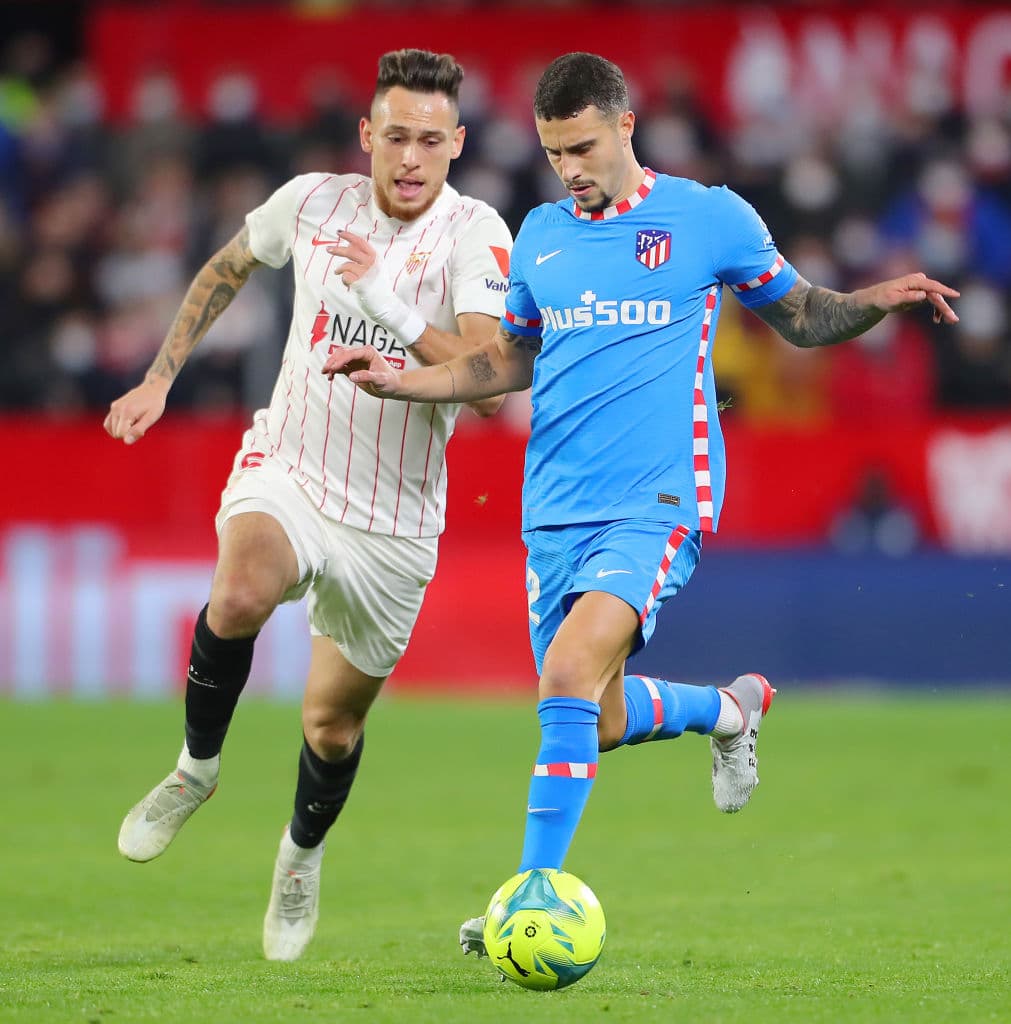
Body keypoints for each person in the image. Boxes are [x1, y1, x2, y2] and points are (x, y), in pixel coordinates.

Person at [320, 52, 960, 957]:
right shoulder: (541, 234)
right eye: (553, 152)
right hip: (553, 508)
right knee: (601, 715)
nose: (568, 169)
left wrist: (872, 303)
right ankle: (729, 710)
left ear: (625, 125)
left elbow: (802, 316)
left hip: (657, 499)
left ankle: (529, 893)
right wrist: (399, 378)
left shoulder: (708, 216)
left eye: (582, 147)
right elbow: (504, 362)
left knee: (566, 675)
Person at [103, 48, 512, 962]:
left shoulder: (476, 233)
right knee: (240, 590)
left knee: (331, 724)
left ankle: (299, 853)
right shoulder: (312, 202)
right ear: (367, 134)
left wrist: (388, 309)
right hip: (290, 464)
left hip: (393, 521)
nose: (410, 157)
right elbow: (225, 267)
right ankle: (194, 771)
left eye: (430, 140)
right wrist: (161, 376)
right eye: (395, 136)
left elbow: (488, 382)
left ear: (456, 144)